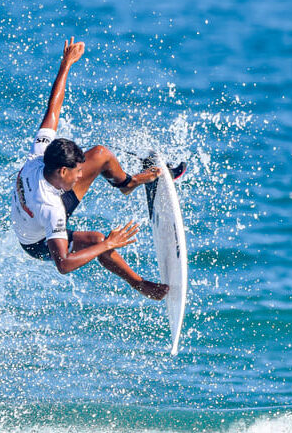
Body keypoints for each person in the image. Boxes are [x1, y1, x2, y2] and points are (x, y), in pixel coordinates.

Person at [11, 38, 182, 301]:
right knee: (95, 239)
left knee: (101, 154)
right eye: (77, 172)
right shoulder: (51, 209)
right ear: (63, 171)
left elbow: (53, 109)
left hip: (38, 203)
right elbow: (64, 264)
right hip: (35, 240)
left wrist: (65, 64)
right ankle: (140, 284)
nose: (82, 176)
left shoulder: (41, 155)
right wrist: (108, 244)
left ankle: (128, 183)